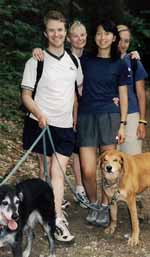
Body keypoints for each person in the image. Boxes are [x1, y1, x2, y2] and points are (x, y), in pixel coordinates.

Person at [21, 10, 83, 242]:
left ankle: (56, 219)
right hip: (40, 124)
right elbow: (26, 95)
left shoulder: (74, 61)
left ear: (65, 33)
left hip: (65, 127)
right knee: (45, 171)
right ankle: (45, 213)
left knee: (58, 173)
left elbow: (78, 92)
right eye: (52, 30)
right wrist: (39, 113)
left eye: (60, 29)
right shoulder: (35, 61)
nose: (56, 34)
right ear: (45, 33)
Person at [32, 20, 90, 208]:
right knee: (48, 165)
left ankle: (76, 191)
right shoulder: (58, 57)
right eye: (75, 35)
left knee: (72, 156)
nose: (79, 39)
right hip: (51, 118)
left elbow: (83, 89)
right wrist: (37, 52)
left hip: (79, 115)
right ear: (69, 38)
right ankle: (48, 202)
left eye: (83, 35)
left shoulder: (88, 58)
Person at [77, 20, 128, 226]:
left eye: (107, 34)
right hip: (86, 116)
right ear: (94, 37)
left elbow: (123, 95)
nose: (103, 37)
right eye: (99, 33)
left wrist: (123, 123)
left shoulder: (120, 63)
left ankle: (106, 208)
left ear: (114, 38)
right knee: (88, 169)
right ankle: (93, 204)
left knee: (109, 169)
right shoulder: (85, 60)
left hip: (109, 117)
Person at [117, 24, 148, 154]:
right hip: (109, 116)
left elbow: (141, 95)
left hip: (131, 116)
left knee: (133, 161)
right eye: (120, 39)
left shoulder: (134, 61)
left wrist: (142, 122)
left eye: (127, 40)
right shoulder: (103, 60)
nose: (123, 44)